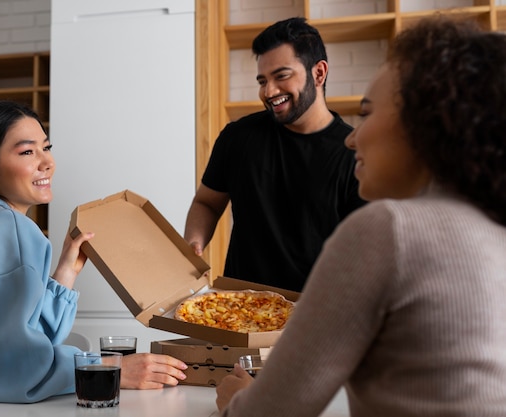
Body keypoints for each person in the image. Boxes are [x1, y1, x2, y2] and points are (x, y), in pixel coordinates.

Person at [215, 16, 506, 416]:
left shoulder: (389, 229)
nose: (352, 136)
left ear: (422, 129)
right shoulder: (492, 225)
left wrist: (234, 399)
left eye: (367, 115)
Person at [0, 100, 187, 415]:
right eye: (27, 152)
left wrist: (65, 273)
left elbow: (19, 337)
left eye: (46, 147)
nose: (47, 162)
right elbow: (5, 366)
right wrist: (109, 367)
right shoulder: (8, 228)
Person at [184, 17, 365, 293]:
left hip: (312, 318)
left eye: (281, 76)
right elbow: (207, 202)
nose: (269, 92)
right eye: (262, 80)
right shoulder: (237, 137)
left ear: (319, 73)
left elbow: (362, 257)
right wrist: (193, 243)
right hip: (237, 314)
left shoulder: (354, 154)